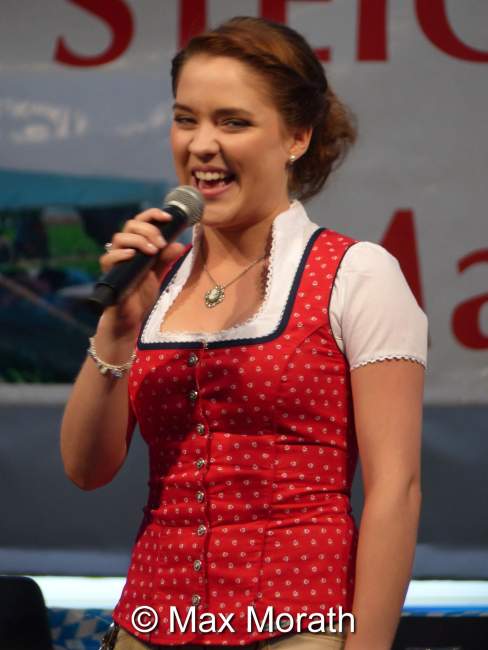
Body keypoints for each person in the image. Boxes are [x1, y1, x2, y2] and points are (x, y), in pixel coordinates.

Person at [60, 16, 428, 650]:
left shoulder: (357, 273)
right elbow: (86, 469)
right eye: (186, 119)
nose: (202, 144)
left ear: (296, 136)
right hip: (150, 624)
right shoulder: (155, 278)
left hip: (295, 627)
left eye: (233, 122)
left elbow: (397, 489)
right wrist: (117, 330)